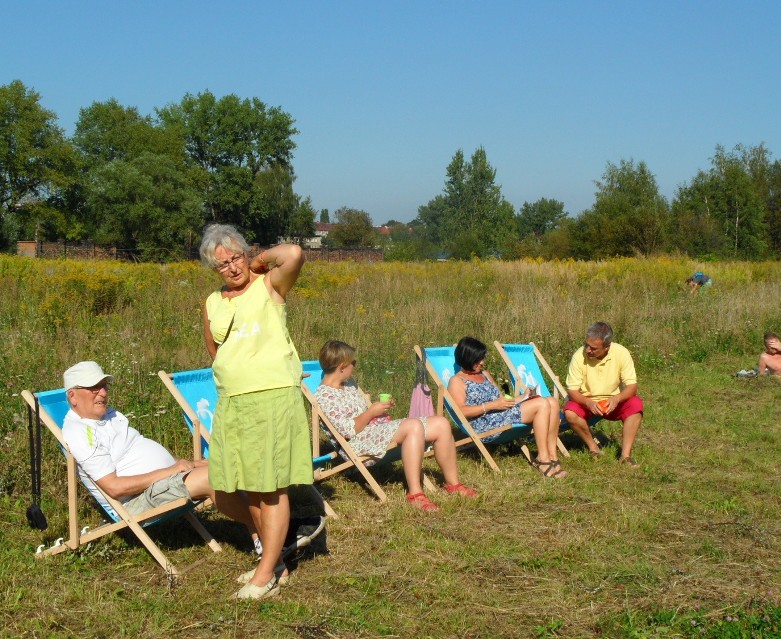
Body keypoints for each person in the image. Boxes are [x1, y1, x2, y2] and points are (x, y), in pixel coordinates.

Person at [200, 224, 314, 600]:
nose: (231, 268)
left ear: (246, 254)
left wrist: (259, 262)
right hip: (234, 400)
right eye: (222, 265)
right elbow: (215, 354)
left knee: (271, 486)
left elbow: (294, 253)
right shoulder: (213, 303)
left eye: (236, 257)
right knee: (245, 485)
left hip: (272, 395)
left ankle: (265, 575)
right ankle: (274, 561)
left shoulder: (269, 286)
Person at [61, 360, 258, 543]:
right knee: (213, 477)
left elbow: (141, 450)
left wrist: (188, 464)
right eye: (94, 388)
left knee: (225, 464)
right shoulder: (79, 433)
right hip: (138, 500)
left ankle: (265, 531)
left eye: (104, 386)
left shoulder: (109, 416)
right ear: (73, 396)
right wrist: (172, 471)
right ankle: (268, 530)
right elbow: (115, 487)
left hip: (163, 482)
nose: (103, 393)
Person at [315, 340, 477, 512]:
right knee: (413, 425)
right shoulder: (324, 396)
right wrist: (371, 412)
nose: (354, 367)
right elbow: (347, 431)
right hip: (357, 443)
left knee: (441, 423)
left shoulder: (348, 385)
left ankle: (453, 484)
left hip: (374, 431)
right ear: (342, 367)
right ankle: (415, 494)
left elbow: (363, 415)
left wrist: (378, 410)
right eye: (353, 363)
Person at [447, 337, 566, 478]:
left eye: (482, 358)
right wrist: (491, 405)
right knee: (542, 404)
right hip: (484, 423)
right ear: (467, 358)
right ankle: (542, 459)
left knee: (552, 401)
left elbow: (501, 401)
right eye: (478, 360)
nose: (482, 363)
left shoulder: (485, 374)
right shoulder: (457, 381)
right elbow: (461, 411)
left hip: (500, 413)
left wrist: (524, 397)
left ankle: (552, 456)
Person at [562, 322, 644, 468]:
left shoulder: (621, 353)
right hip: (587, 401)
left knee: (636, 405)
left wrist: (617, 398)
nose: (588, 350)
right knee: (570, 411)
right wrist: (587, 402)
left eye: (593, 348)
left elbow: (632, 387)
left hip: (613, 401)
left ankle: (626, 456)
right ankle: (594, 448)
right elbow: (572, 390)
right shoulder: (578, 356)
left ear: (607, 347)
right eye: (586, 344)